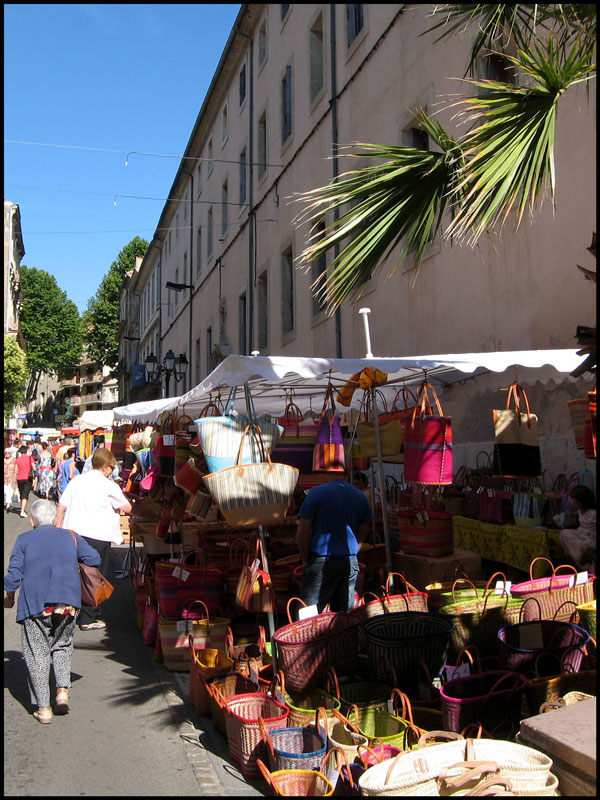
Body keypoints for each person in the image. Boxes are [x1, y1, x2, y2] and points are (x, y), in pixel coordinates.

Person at [4, 499, 101, 724]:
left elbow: (13, 576)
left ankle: (44, 708)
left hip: (35, 603)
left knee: (37, 653)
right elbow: (94, 559)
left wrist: (9, 596)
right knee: (63, 645)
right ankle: (62, 691)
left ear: (32, 521)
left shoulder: (24, 539)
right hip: (67, 601)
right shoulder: (70, 536)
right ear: (55, 519)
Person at [53, 447, 132, 631]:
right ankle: (88, 617)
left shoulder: (77, 482)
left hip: (73, 533)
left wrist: (58, 524)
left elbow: (61, 506)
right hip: (98, 535)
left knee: (76, 571)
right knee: (94, 575)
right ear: (106, 467)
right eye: (112, 467)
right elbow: (127, 508)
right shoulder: (108, 486)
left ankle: (70, 610)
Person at [296, 470, 373, 613]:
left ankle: (311, 636)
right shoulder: (359, 496)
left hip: (322, 561)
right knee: (342, 615)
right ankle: (341, 635)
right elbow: (364, 530)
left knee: (308, 614)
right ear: (347, 471)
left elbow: (302, 532)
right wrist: (356, 548)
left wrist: (305, 559)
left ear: (326, 472)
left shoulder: (316, 493)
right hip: (348, 561)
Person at [559, 485, 596, 574]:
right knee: (564, 533)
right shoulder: (579, 511)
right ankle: (582, 559)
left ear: (580, 502)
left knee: (586, 546)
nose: (570, 500)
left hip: (591, 538)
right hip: (582, 534)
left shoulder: (593, 513)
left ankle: (587, 561)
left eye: (572, 498)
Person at [15, 445, 36, 518]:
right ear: (26, 451)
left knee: (22, 493)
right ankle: (22, 511)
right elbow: (34, 468)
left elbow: (16, 470)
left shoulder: (17, 459)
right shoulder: (30, 458)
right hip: (27, 478)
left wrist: (13, 480)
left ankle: (22, 508)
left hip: (19, 478)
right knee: (25, 494)